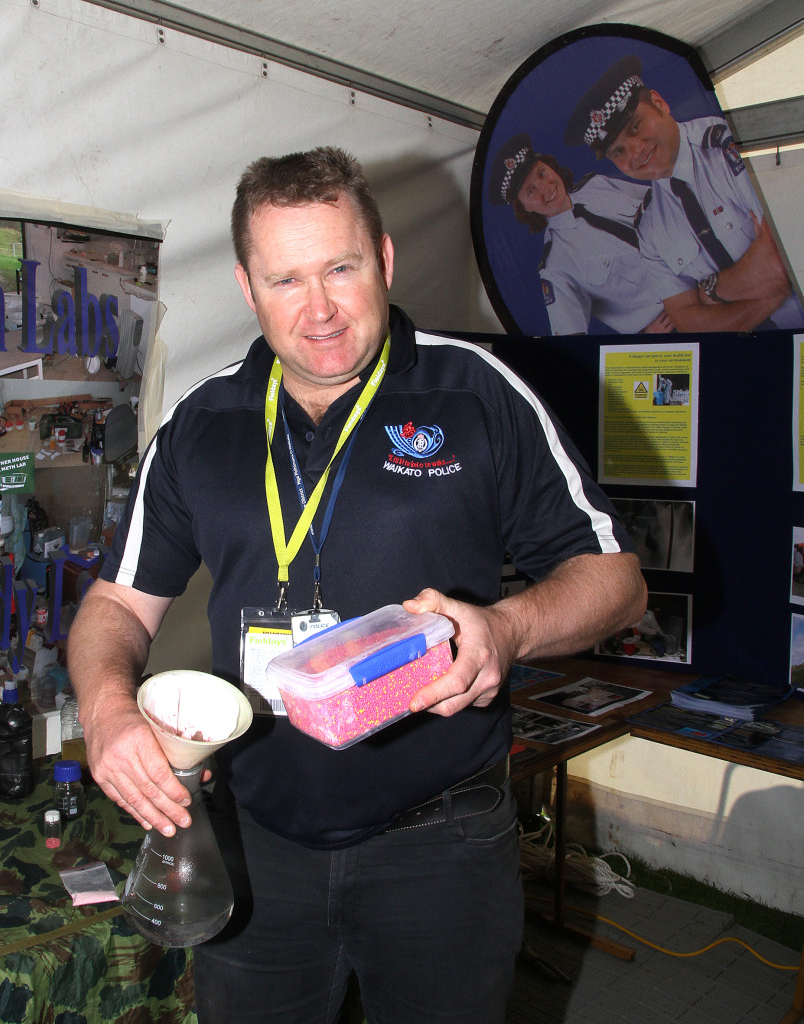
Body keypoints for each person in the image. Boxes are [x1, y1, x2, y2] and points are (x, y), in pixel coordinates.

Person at [67, 146, 647, 1023]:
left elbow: (615, 581)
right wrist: (107, 711)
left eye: (339, 267)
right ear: (245, 285)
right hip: (257, 844)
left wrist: (506, 628)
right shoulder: (204, 424)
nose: (320, 309)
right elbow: (114, 605)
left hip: (440, 846)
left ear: (381, 258)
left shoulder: (475, 393)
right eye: (286, 279)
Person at [565, 55, 804, 333]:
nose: (635, 152)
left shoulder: (728, 146)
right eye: (618, 151)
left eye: (635, 127)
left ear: (659, 103)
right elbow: (689, 323)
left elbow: (779, 265)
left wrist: (708, 293)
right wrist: (767, 294)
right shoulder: (649, 225)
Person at [488, 131, 677, 334]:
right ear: (525, 207)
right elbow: (571, 341)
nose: (545, 187)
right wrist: (645, 338)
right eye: (531, 191)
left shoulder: (597, 185)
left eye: (542, 173)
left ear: (550, 167)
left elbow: (661, 202)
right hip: (672, 323)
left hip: (701, 280)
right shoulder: (556, 265)